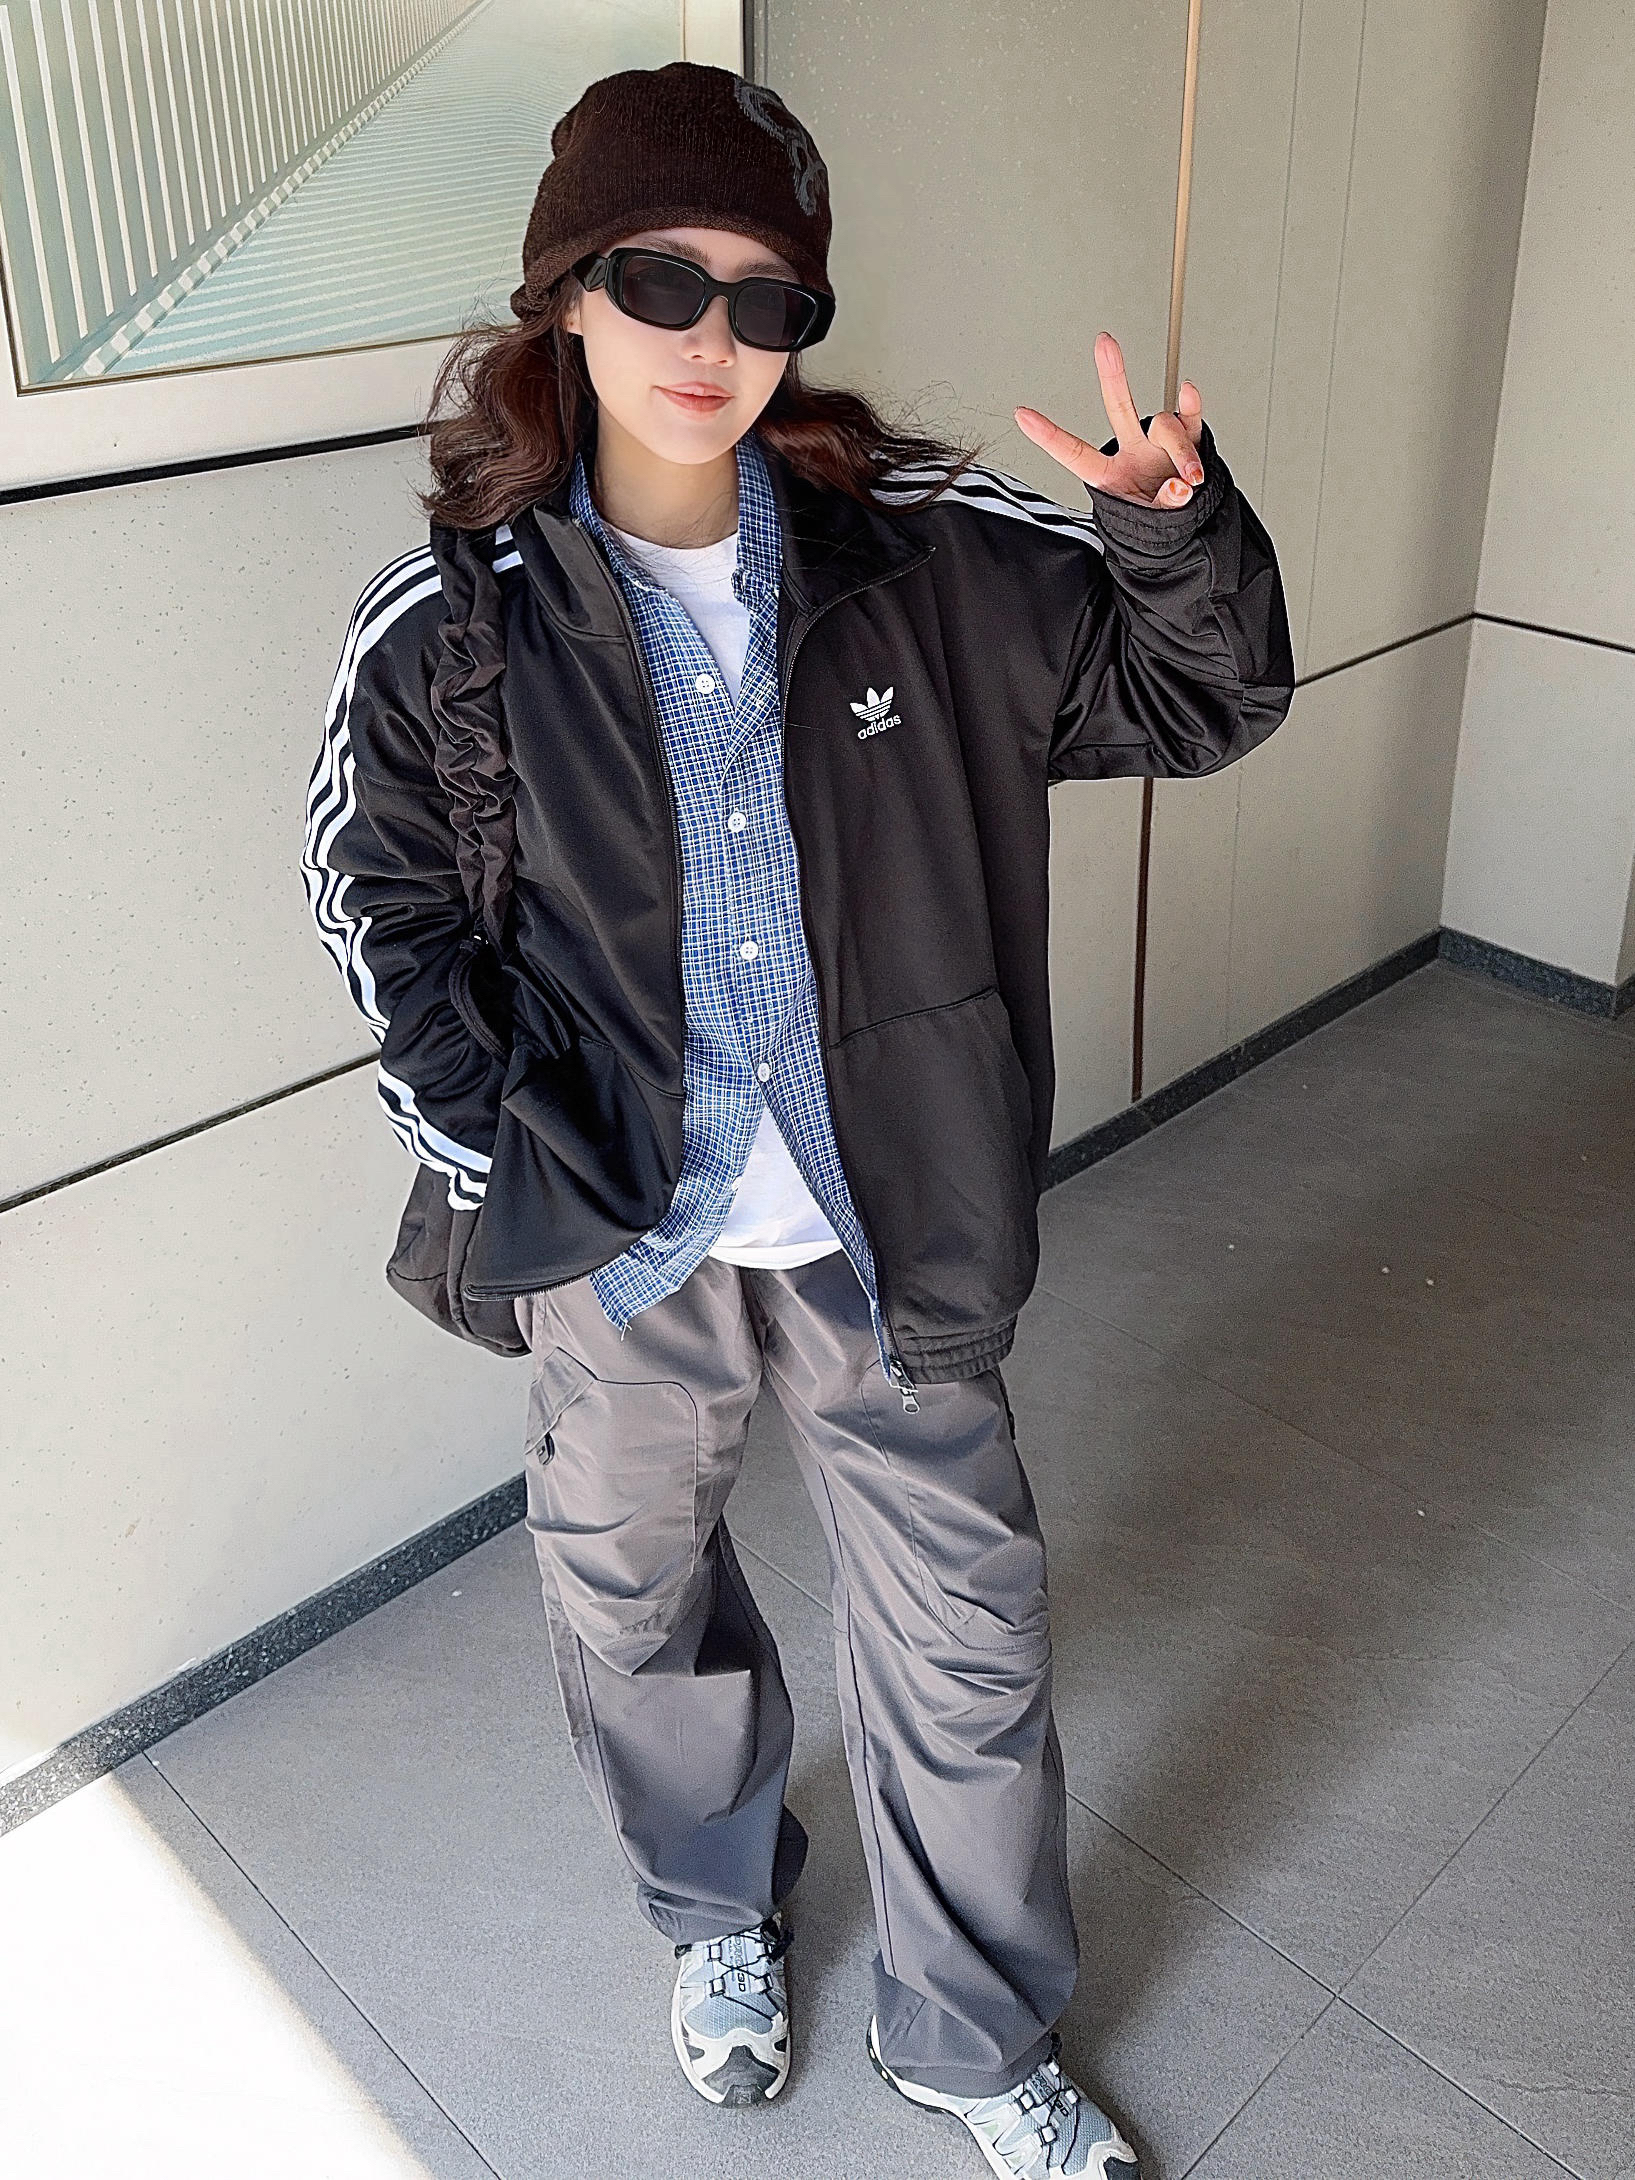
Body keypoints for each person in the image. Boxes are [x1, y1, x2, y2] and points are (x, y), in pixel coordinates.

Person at [302, 58, 1293, 2180]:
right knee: (631, 1602)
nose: (712, 341)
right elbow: (379, 903)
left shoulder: (926, 557)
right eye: (662, 282)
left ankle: (971, 2033)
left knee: (964, 1633)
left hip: (881, 1218)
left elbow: (1197, 695)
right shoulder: (456, 618)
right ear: (568, 295)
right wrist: (507, 1145)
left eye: (768, 301)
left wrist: (1166, 531)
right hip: (621, 1237)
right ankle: (714, 1908)